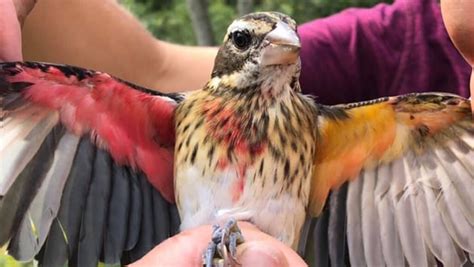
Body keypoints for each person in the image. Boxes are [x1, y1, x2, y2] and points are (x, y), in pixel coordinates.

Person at [1, 0, 473, 266]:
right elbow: (155, 66)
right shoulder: (171, 118)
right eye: (248, 42)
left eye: (286, 42)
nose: (279, 47)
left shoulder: (342, 131)